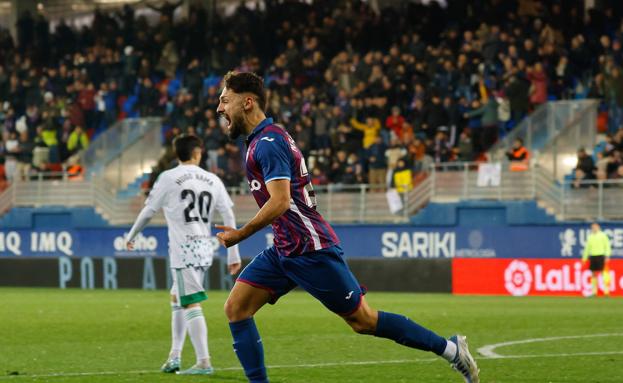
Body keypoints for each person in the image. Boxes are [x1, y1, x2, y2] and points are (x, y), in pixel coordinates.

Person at [215, 72, 479, 383]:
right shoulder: (261, 140)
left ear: (247, 102)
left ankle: (452, 350)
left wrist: (239, 235)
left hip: (311, 249)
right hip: (284, 248)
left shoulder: (268, 142)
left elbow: (281, 202)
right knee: (236, 309)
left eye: (225, 100)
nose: (220, 108)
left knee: (363, 320)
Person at [125, 135, 242, 375]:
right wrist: (233, 253)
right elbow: (228, 216)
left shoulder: (168, 178)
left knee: (190, 302)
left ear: (176, 153)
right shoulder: (212, 179)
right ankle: (174, 356)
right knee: (177, 298)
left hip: (183, 249)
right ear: (198, 152)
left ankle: (204, 362)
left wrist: (132, 234)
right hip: (203, 247)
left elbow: (148, 211)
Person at [582, 223, 611, 297]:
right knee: (593, 274)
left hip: (601, 256)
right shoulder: (590, 237)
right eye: (592, 228)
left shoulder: (603, 235)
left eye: (595, 227)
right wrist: (584, 258)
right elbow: (587, 249)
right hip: (593, 256)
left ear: (598, 228)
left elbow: (607, 246)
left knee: (604, 273)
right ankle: (594, 292)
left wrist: (607, 256)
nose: (594, 229)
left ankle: (606, 291)